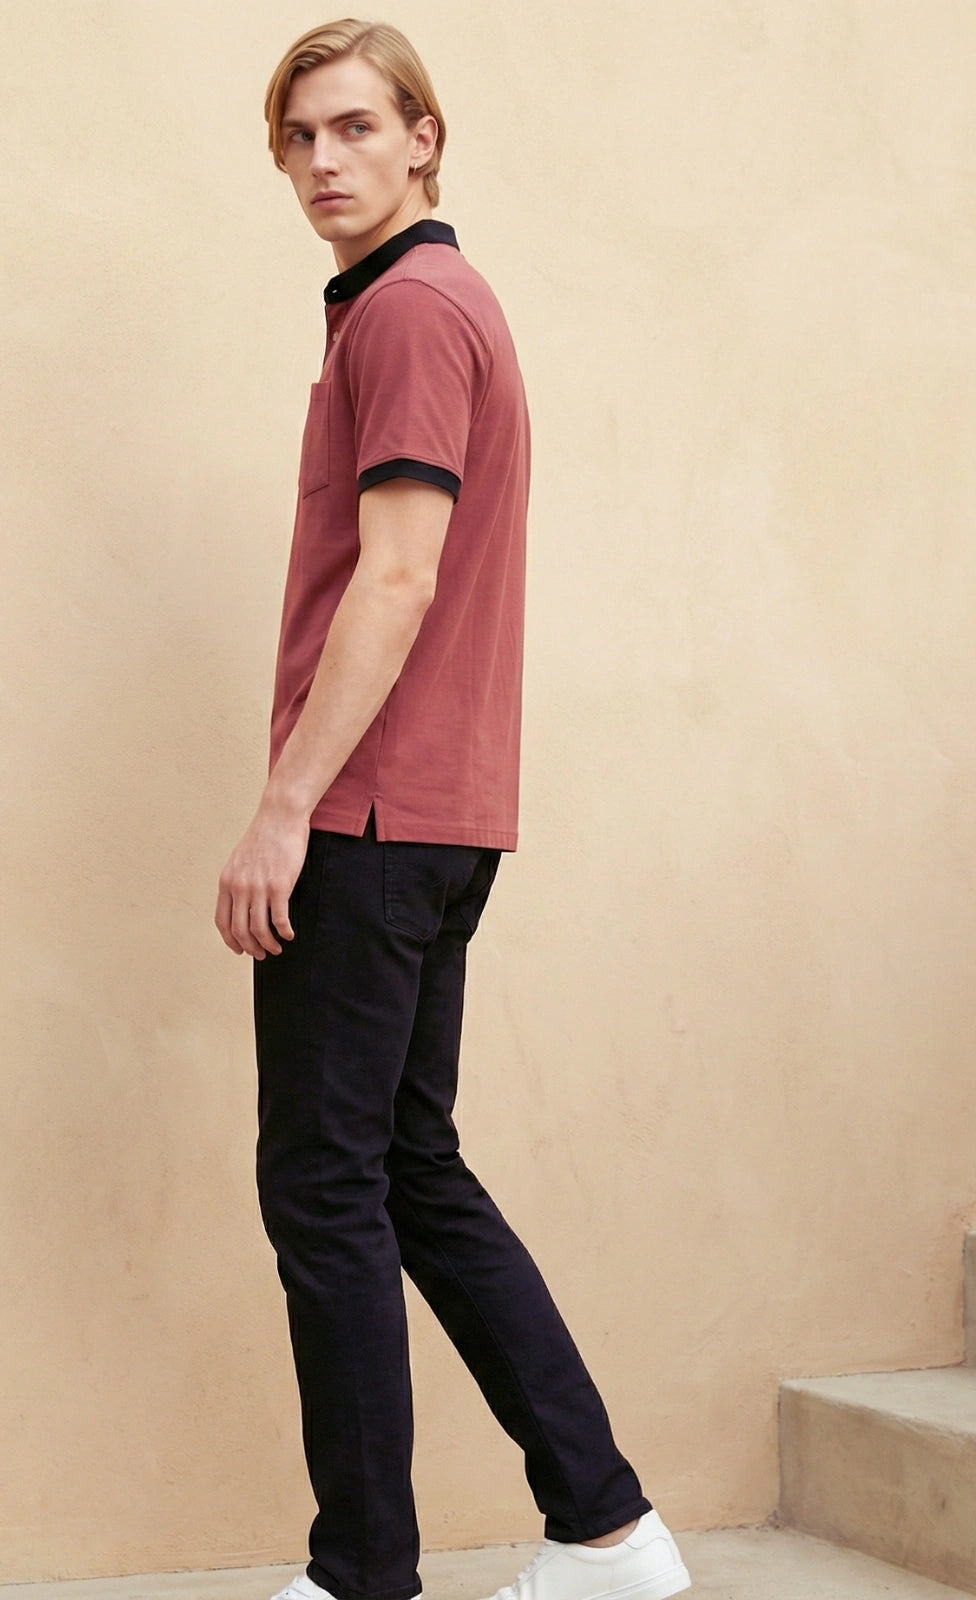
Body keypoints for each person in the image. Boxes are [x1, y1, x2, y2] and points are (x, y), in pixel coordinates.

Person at [214, 20, 691, 1600]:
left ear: (424, 136)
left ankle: (364, 1574)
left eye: (355, 127)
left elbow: (400, 576)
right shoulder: (428, 300)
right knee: (408, 1170)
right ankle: (609, 1532)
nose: (322, 162)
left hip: (369, 820)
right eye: (299, 138)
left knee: (327, 1186)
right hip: (438, 817)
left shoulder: (411, 311)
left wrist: (285, 805)